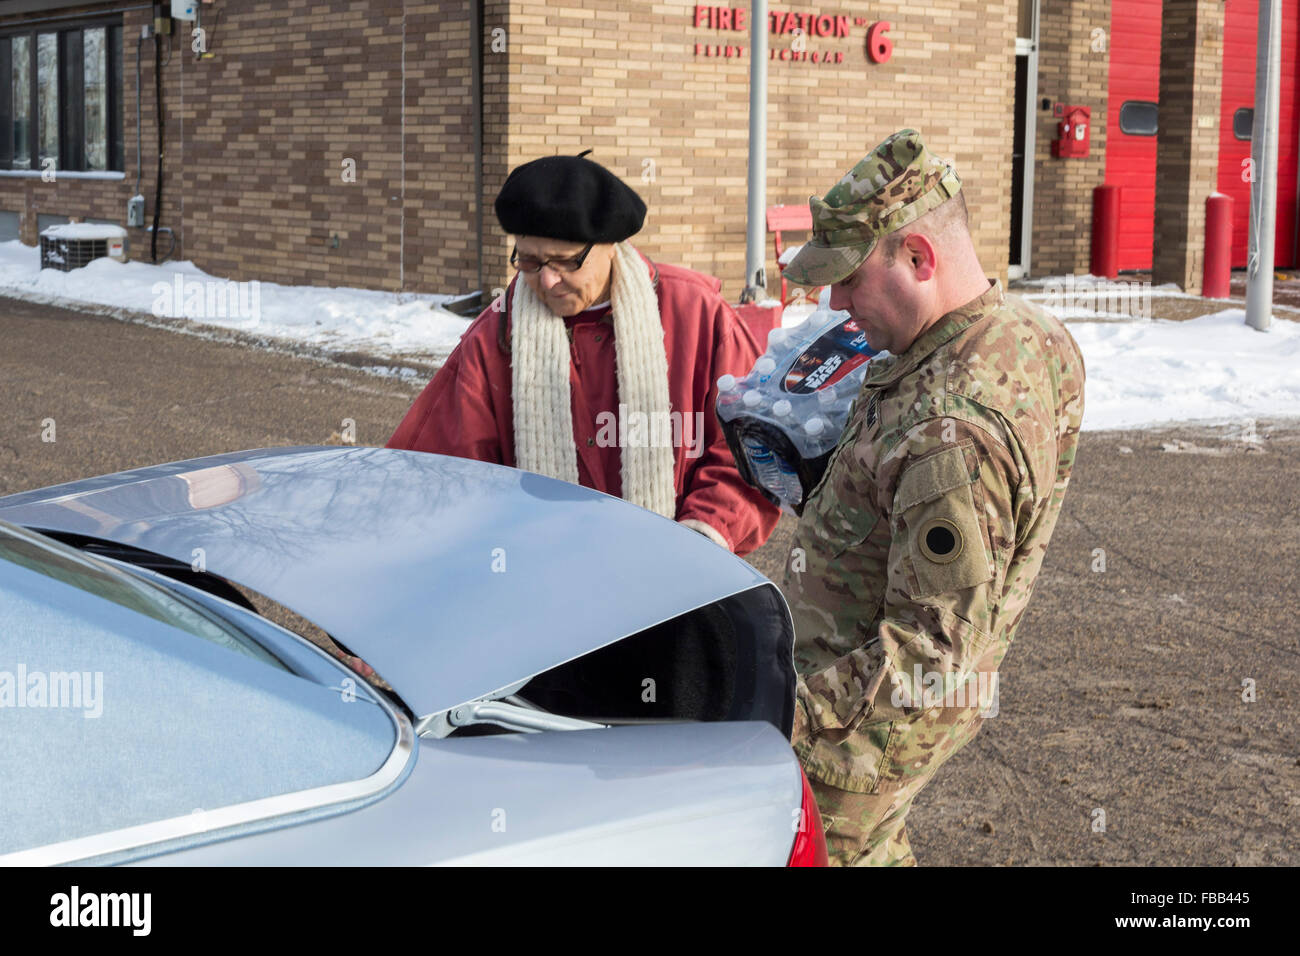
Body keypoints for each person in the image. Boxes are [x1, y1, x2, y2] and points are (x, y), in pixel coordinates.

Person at [778, 129, 1086, 865]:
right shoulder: (1022, 334)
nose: (838, 303)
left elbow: (932, 651)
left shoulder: (950, 432)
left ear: (919, 257)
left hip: (854, 728)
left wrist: (782, 718)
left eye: (850, 280)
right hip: (864, 702)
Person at [388, 153, 780, 556]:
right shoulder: (496, 333)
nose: (547, 280)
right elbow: (442, 470)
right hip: (543, 581)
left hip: (676, 579)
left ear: (611, 246)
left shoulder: (698, 314)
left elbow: (754, 449)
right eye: (529, 261)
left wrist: (705, 532)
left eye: (565, 261)